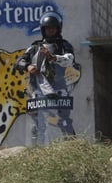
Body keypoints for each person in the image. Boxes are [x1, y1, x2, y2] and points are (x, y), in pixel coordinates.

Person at [15, 11, 75, 145]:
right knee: (37, 123)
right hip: (38, 90)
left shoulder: (64, 45)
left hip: (59, 89)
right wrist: (28, 67)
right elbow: (18, 62)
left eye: (53, 28)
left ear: (58, 29)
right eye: (48, 28)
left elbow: (70, 59)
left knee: (64, 120)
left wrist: (53, 58)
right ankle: (37, 150)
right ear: (43, 29)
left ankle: (72, 146)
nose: (50, 31)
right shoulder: (35, 46)